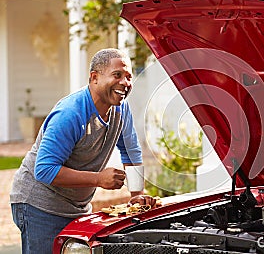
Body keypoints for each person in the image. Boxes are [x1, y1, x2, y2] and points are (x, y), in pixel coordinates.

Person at [10, 48, 157, 253]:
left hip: (76, 206)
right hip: (39, 204)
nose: (125, 83)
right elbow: (44, 170)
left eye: (128, 77)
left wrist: (137, 194)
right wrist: (98, 179)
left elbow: (131, 151)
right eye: (117, 75)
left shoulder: (121, 109)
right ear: (94, 78)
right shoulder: (70, 113)